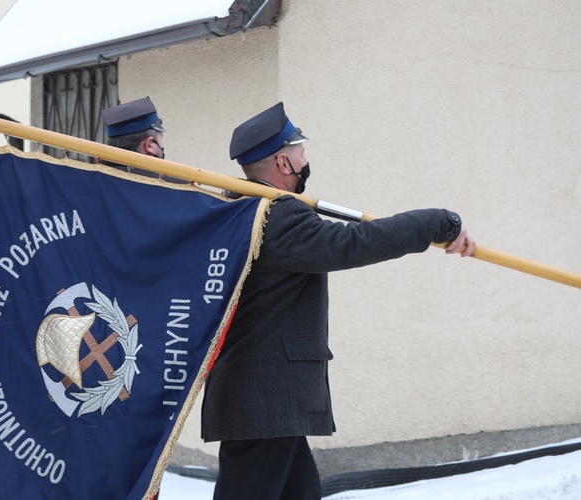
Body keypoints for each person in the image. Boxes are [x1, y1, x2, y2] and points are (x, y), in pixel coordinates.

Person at [200, 102, 476, 500]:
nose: (306, 159)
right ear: (283, 162)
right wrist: (437, 222)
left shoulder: (242, 209)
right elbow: (353, 243)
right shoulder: (274, 217)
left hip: (270, 403)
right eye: (301, 151)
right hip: (266, 402)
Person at [100, 96, 188, 183]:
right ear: (149, 145)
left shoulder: (91, 181)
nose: (162, 145)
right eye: (161, 139)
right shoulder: (178, 187)